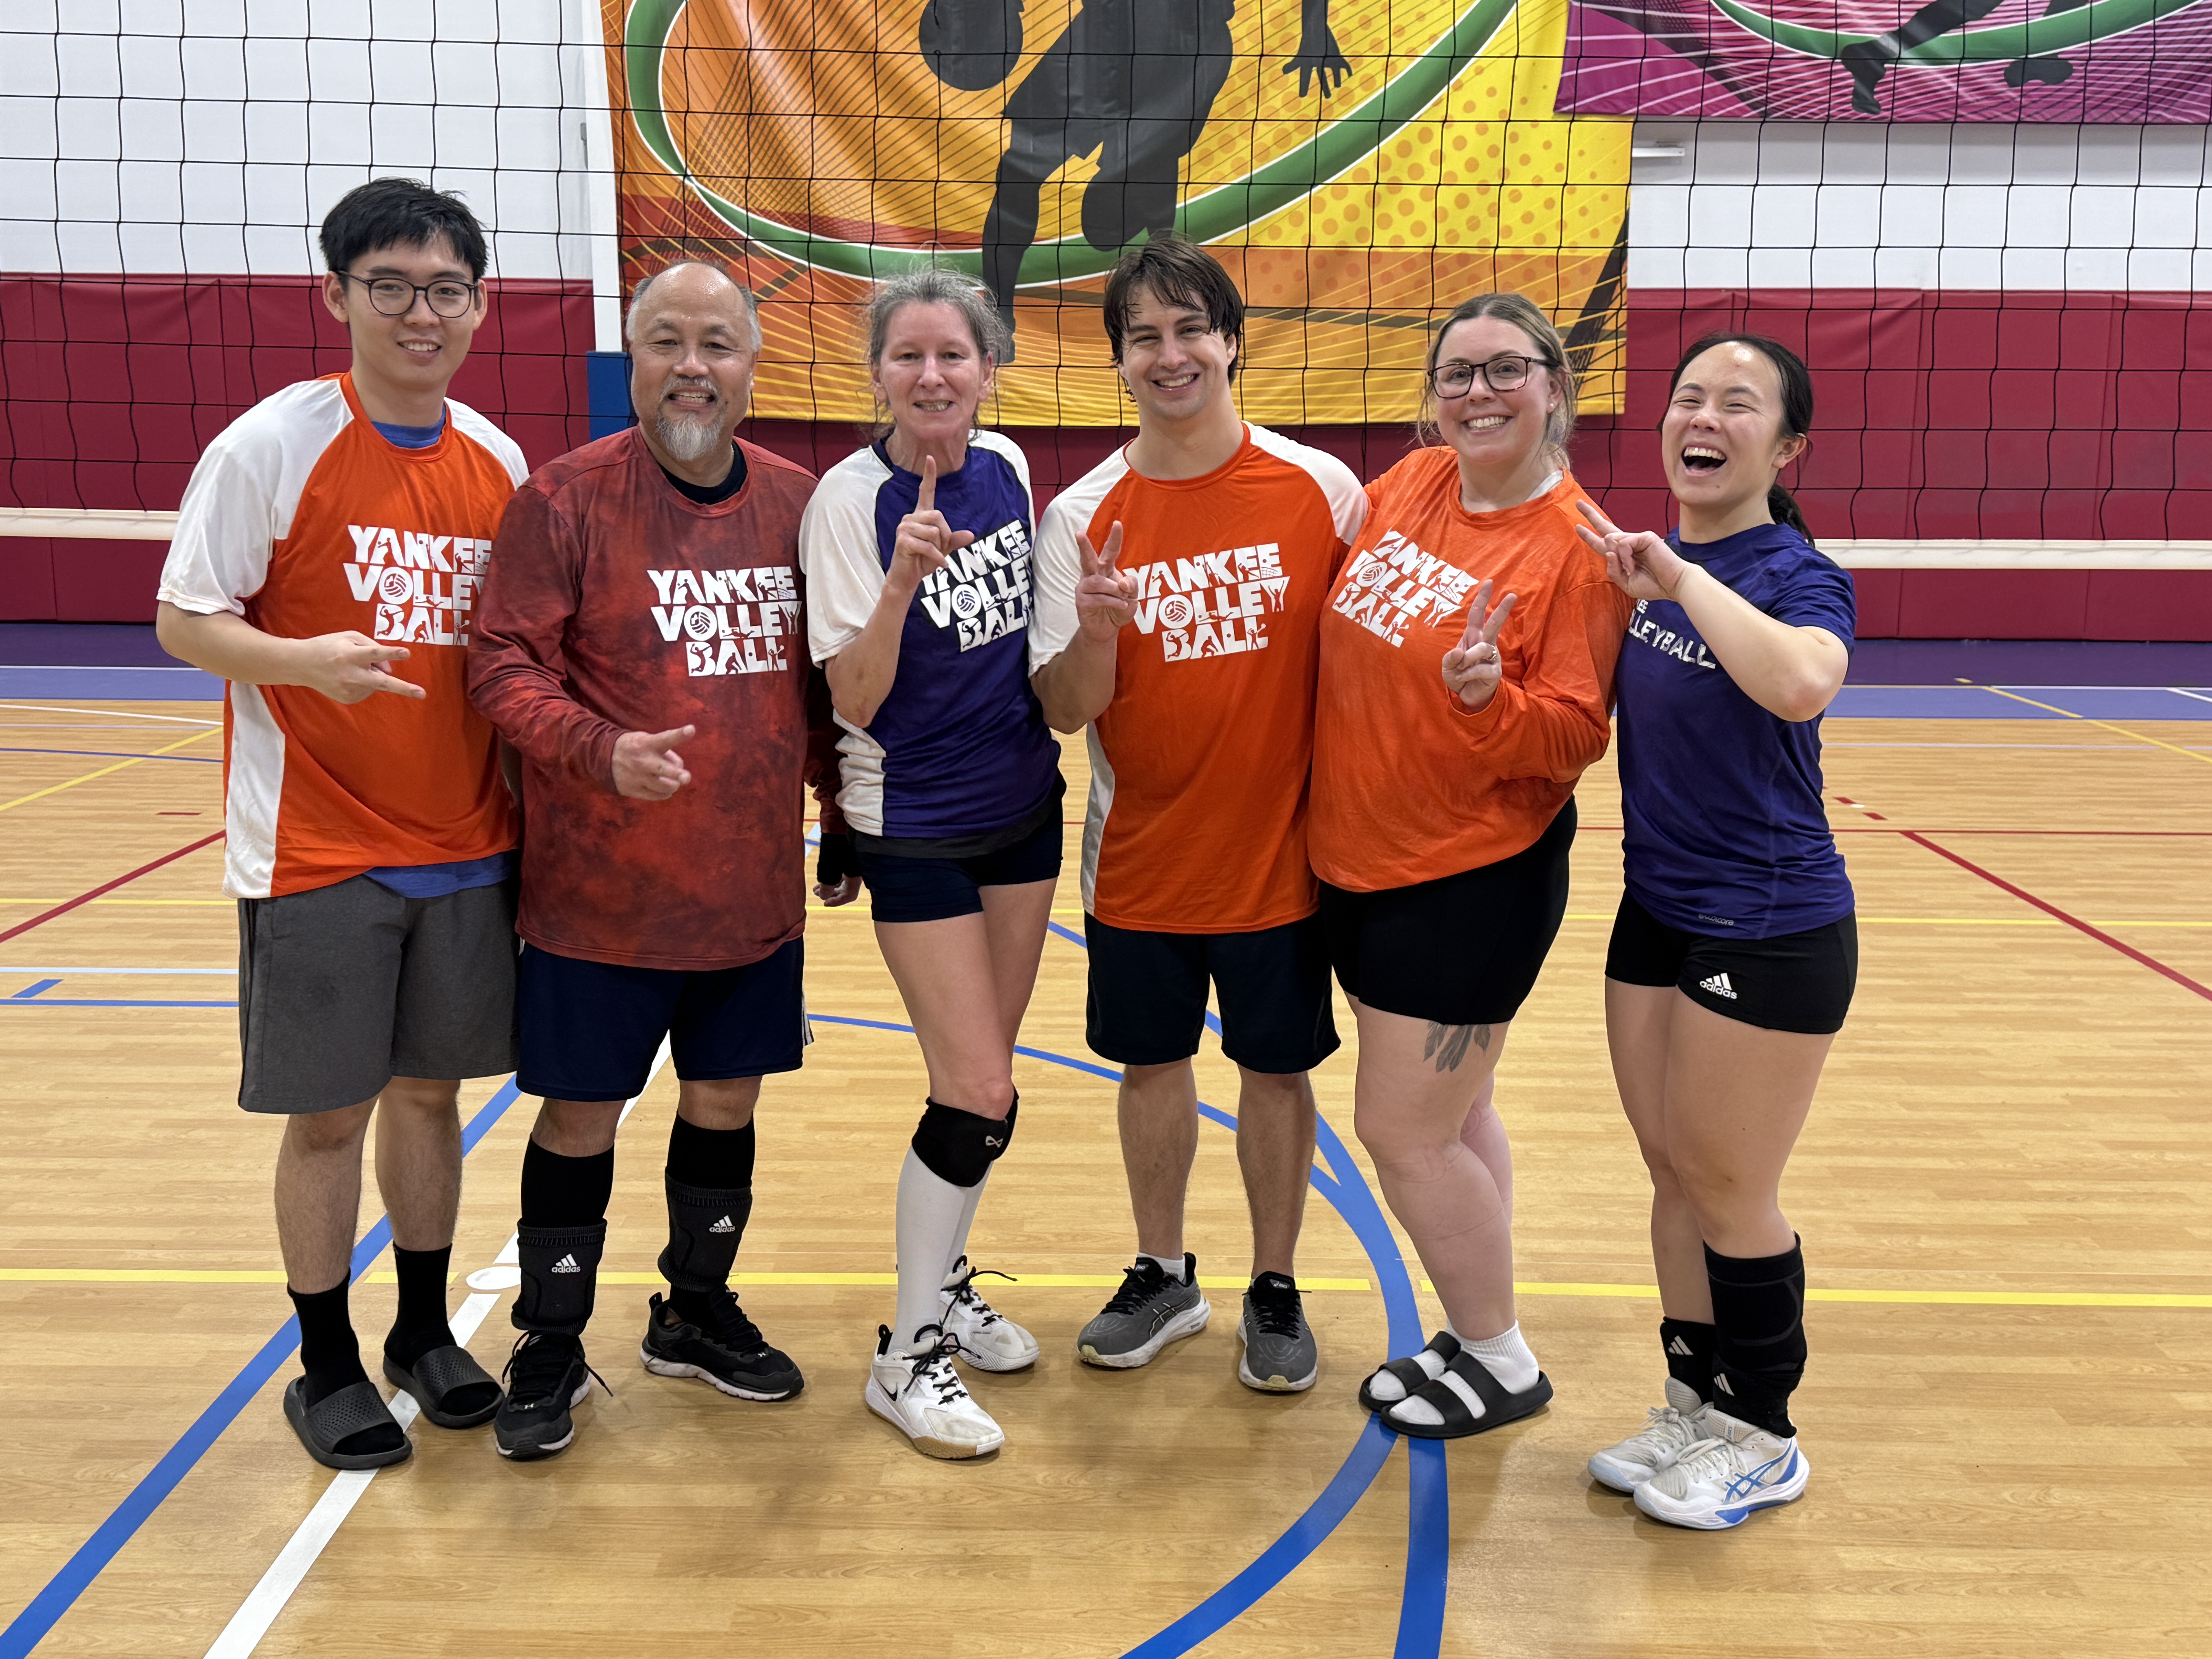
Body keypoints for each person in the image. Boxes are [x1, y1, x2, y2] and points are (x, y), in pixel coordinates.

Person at [154, 178, 526, 1469]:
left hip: (468, 844)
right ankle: (323, 1362)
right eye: (392, 287)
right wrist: (303, 662)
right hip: (318, 846)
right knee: (328, 1117)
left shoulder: (498, 462)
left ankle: (421, 1332)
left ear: (478, 305)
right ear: (338, 295)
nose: (421, 313)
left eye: (446, 289)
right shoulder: (271, 445)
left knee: (431, 1096)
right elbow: (184, 618)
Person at [467, 259, 849, 1462]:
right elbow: (500, 666)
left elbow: (824, 683)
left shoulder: (799, 502)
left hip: (748, 893)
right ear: (632, 359)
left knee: (726, 1102)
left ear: (753, 366)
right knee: (582, 1115)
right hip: (599, 902)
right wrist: (601, 748)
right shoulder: (563, 499)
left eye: (717, 343)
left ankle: (692, 1309)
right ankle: (549, 1338)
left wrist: (840, 807)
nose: (693, 365)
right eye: (667, 341)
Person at [1029, 237, 1365, 1393]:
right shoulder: (1081, 513)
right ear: (1119, 360)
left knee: (1276, 1073)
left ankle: (1275, 1284)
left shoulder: (1322, 490)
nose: (1168, 356)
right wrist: (1096, 632)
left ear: (1231, 342)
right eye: (1144, 338)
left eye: (1189, 331)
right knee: (1151, 1065)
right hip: (1139, 859)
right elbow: (1064, 710)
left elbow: (1369, 663)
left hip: (1283, 860)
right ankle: (1163, 1272)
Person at [1310, 293, 1633, 1440]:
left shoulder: (1580, 553)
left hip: (1467, 878)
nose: (1478, 393)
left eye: (1505, 370)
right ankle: (1471, 1320)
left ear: (1555, 385)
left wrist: (1490, 700)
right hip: (1356, 856)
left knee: (1403, 1134)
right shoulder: (1414, 483)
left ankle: (1499, 1356)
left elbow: (1574, 739)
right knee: (1455, 1114)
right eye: (1456, 373)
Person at [1573, 333, 1854, 1529]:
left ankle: (1762, 1432)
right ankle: (1694, 1402)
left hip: (1773, 922)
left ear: (1786, 448)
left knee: (1733, 1185)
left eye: (1737, 403)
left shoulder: (1794, 574)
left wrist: (1682, 582)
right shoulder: (1641, 569)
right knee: (1673, 1171)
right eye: (1688, 396)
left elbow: (1800, 682)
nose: (1703, 416)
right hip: (1657, 910)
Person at [799, 267, 1067, 1460]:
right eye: (906, 356)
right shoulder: (846, 501)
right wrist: (904, 579)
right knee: (976, 1087)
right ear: (878, 376)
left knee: (984, 1086)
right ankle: (904, 1358)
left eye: (952, 354)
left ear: (987, 369)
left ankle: (946, 1287)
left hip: (1022, 814)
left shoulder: (1006, 467)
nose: (931, 375)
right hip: (913, 823)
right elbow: (854, 696)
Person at [916, 0, 1347, 358]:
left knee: (1148, 178)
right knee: (1019, 172)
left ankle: (1175, 318)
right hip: (1101, 38)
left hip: (1186, 46)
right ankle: (999, 317)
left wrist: (1314, 30)